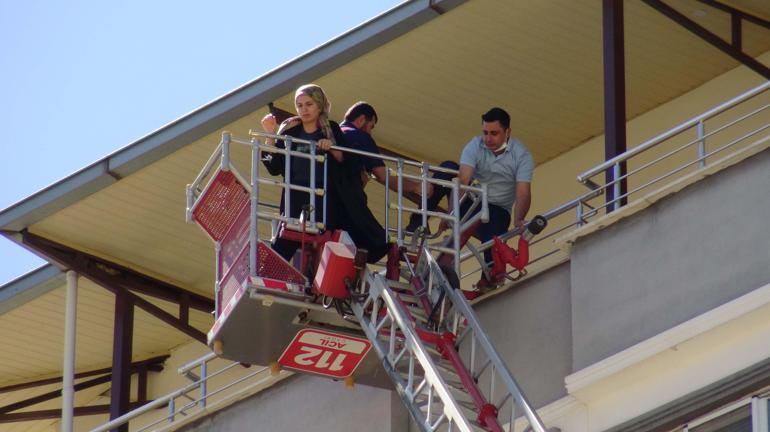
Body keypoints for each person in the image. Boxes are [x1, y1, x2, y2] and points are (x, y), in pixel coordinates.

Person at [260, 86, 390, 264]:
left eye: (309, 104)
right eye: (299, 105)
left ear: (319, 106)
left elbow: (348, 163)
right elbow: (273, 166)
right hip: (295, 199)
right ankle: (267, 271)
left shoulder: (332, 129)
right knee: (285, 243)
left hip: (324, 201)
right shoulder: (290, 131)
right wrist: (270, 135)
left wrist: (332, 148)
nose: (304, 109)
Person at [437, 107, 534, 285]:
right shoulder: (475, 145)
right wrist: (450, 214)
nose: (488, 139)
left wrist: (519, 219)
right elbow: (464, 181)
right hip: (473, 199)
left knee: (493, 244)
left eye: (494, 133)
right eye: (485, 132)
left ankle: (489, 281)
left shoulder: (522, 155)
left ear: (508, 132)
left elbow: (523, 192)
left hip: (498, 208)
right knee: (447, 168)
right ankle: (437, 269)